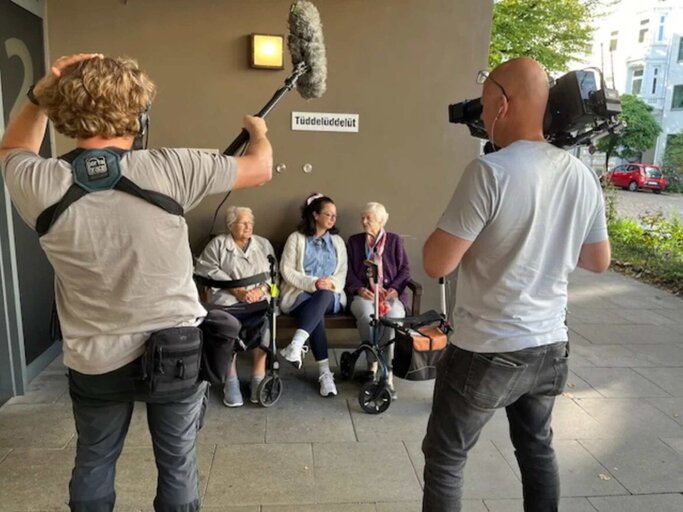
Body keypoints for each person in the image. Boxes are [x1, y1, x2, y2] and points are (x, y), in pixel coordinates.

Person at [0, 54, 272, 512]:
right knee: (178, 463)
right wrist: (259, 132)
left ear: (61, 111)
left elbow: (11, 149)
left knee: (94, 460)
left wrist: (41, 92)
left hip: (94, 358)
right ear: (139, 114)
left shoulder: (40, 182)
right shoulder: (170, 167)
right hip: (177, 351)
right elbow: (260, 168)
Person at [421, 57, 611, 512]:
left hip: (487, 349)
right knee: (537, 449)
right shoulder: (580, 175)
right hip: (549, 346)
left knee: (446, 458)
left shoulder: (490, 172)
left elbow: (436, 262)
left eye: (486, 105)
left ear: (500, 103)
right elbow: (597, 261)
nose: (483, 116)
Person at [195, 206, 276, 407]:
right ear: (230, 225)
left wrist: (261, 290)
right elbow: (205, 271)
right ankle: (230, 380)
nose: (249, 226)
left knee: (266, 321)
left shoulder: (263, 244)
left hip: (258, 300)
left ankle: (258, 374)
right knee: (226, 327)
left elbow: (275, 276)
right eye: (243, 222)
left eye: (251, 222)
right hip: (227, 300)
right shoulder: (217, 245)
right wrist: (237, 290)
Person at [278, 193, 348, 397]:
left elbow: (342, 272)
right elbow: (287, 270)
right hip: (299, 294)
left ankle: (297, 344)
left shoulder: (337, 242)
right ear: (315, 215)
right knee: (316, 315)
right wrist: (313, 283)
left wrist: (330, 284)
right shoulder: (296, 238)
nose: (333, 218)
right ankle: (325, 374)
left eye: (335, 215)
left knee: (324, 295)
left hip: (331, 296)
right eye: (328, 214)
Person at [346, 202, 410, 399]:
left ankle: (388, 372)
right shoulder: (355, 241)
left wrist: (394, 290)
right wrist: (359, 288)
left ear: (381, 221)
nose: (363, 221)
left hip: (388, 296)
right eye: (363, 217)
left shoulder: (395, 241)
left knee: (394, 317)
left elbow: (405, 270)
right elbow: (346, 270)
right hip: (364, 295)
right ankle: (372, 364)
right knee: (367, 315)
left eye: (369, 218)